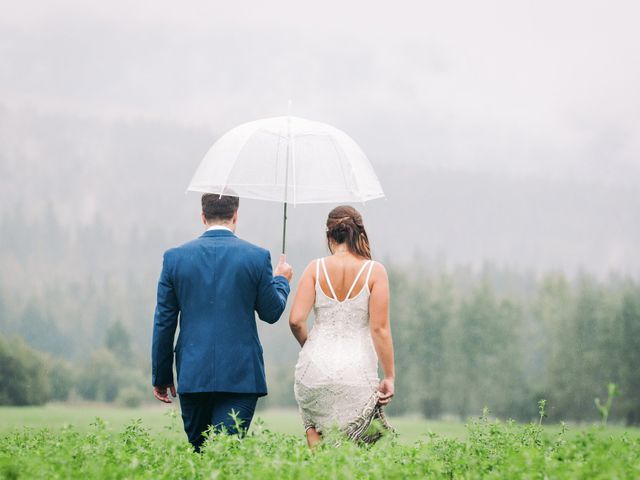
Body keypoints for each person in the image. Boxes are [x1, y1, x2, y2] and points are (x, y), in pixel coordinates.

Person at [151, 193, 293, 452]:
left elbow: (164, 322)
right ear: (236, 215)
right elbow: (271, 313)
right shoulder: (257, 257)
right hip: (241, 377)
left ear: (202, 216)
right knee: (225, 457)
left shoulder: (174, 259)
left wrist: (162, 376)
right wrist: (281, 281)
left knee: (201, 454)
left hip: (193, 375)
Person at [289, 205, 395, 447]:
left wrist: (311, 346)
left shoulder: (314, 268)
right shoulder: (375, 271)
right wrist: (389, 375)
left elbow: (296, 320)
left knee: (317, 438)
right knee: (353, 450)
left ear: (329, 235)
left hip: (313, 369)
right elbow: (380, 329)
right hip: (356, 371)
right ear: (359, 233)